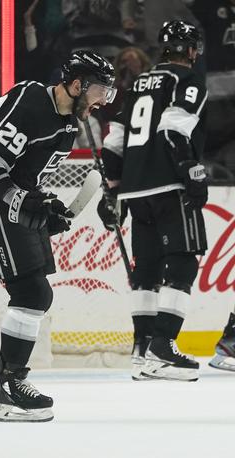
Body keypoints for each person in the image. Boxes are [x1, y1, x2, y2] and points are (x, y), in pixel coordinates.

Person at [0, 50, 117, 422]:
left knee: (37, 293)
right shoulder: (30, 99)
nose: (103, 100)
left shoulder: (68, 128)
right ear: (77, 85)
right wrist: (25, 203)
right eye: (99, 90)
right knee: (31, 291)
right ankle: (7, 386)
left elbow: (27, 180)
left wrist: (46, 206)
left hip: (2, 195)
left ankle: (7, 382)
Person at [97, 20, 208, 382]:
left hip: (134, 190)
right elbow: (174, 130)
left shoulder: (137, 84)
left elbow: (114, 140)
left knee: (145, 270)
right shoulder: (185, 80)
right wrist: (190, 171)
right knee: (182, 265)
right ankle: (162, 347)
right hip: (168, 185)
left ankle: (142, 350)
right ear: (192, 50)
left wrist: (112, 189)